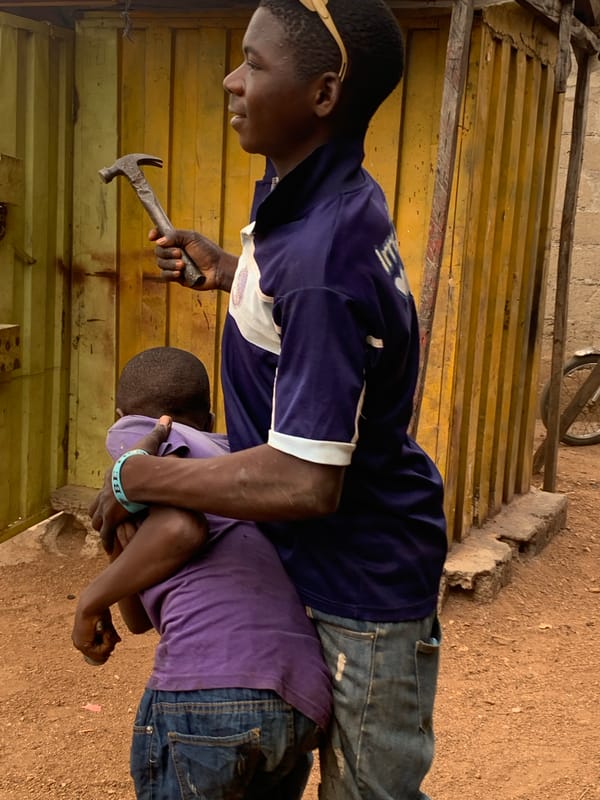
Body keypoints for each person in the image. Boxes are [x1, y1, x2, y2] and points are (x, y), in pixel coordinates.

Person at [90, 2, 448, 797]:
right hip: (313, 566)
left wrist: (137, 480)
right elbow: (300, 312)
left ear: (323, 96)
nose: (231, 79)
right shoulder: (311, 198)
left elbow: (302, 482)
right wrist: (227, 271)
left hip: (364, 588)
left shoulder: (321, 259)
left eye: (254, 64)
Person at [73, 346, 332, 800]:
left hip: (206, 695)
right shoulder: (231, 458)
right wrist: (113, 537)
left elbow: (180, 530)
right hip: (298, 701)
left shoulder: (141, 435)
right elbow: (139, 621)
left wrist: (89, 602)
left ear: (120, 415)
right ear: (210, 419)